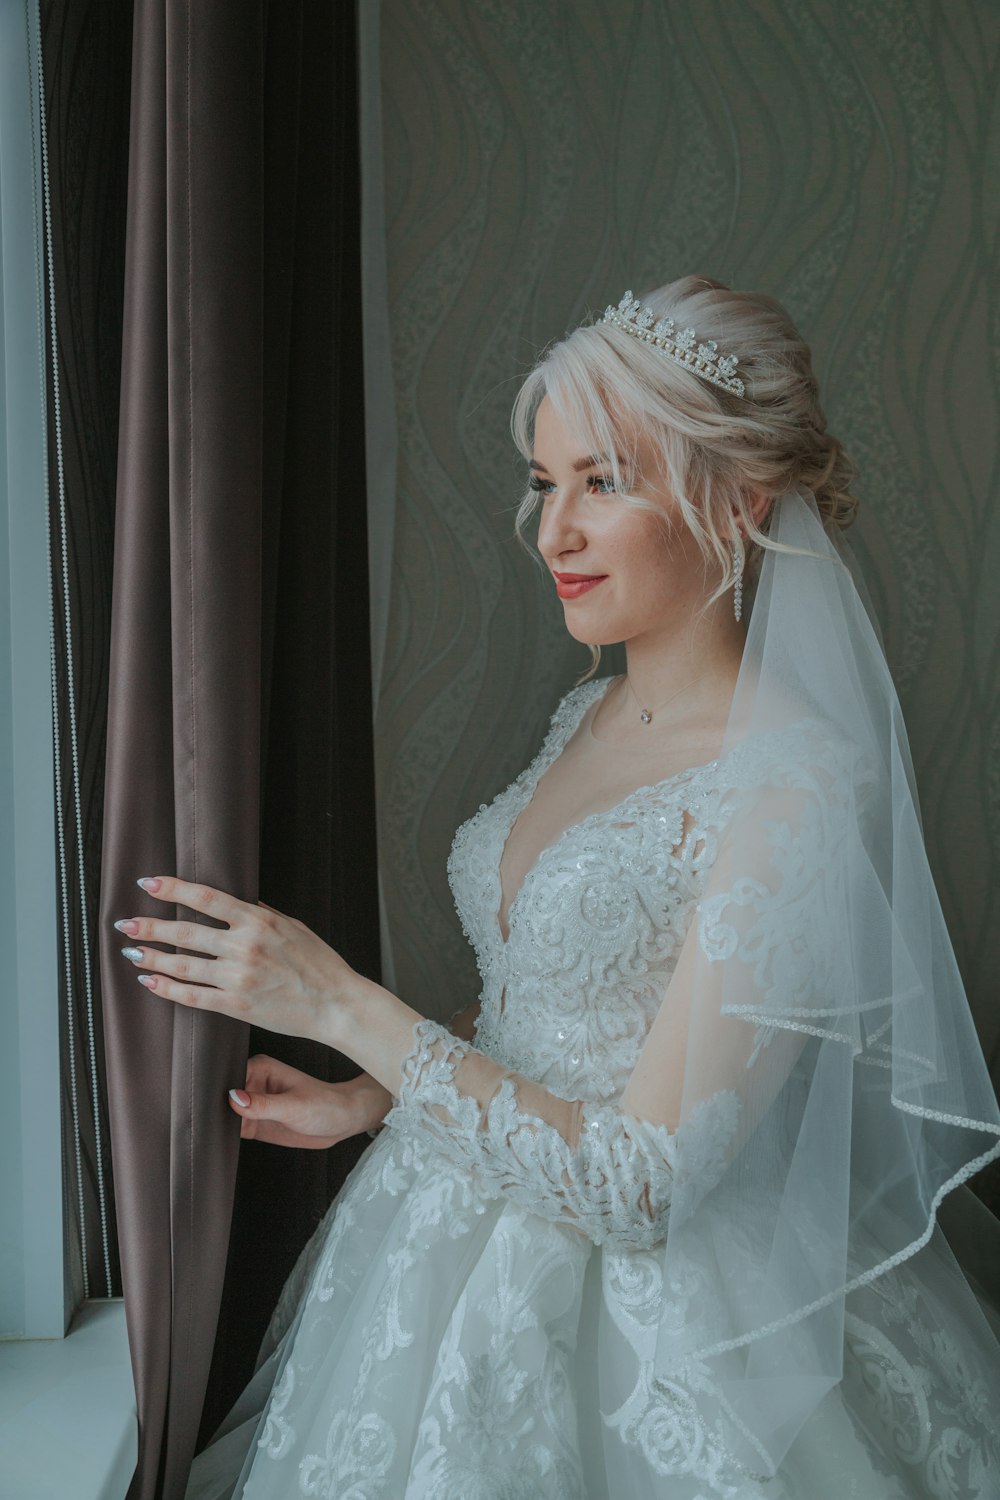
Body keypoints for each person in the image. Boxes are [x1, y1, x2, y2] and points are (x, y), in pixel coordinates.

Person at [117, 275, 1000, 1498]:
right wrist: (370, 1097)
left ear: (739, 503)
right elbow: (575, 1001)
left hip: (668, 1328)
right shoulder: (587, 709)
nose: (553, 532)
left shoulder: (796, 787)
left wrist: (338, 1002)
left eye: (605, 482)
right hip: (436, 1252)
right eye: (545, 482)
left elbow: (638, 1183)